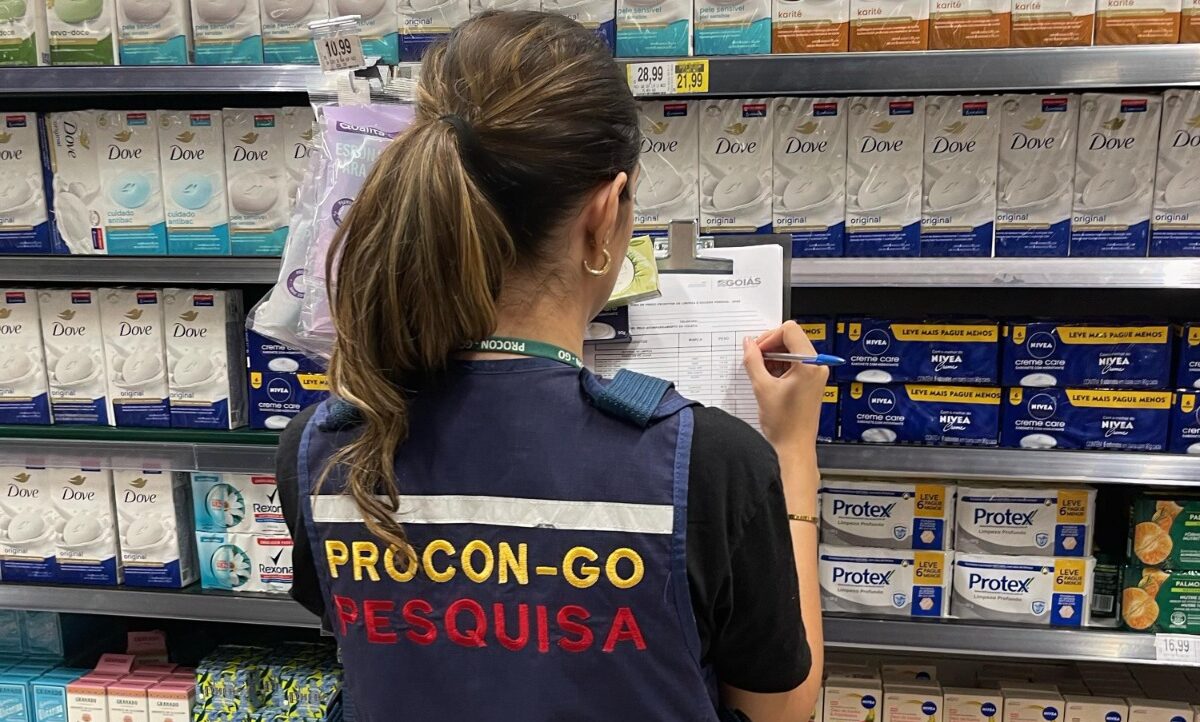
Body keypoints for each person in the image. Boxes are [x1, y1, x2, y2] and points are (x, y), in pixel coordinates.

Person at [275, 10, 826, 721]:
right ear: (603, 215)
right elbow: (780, 709)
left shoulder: (321, 447)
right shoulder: (712, 463)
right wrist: (793, 455)